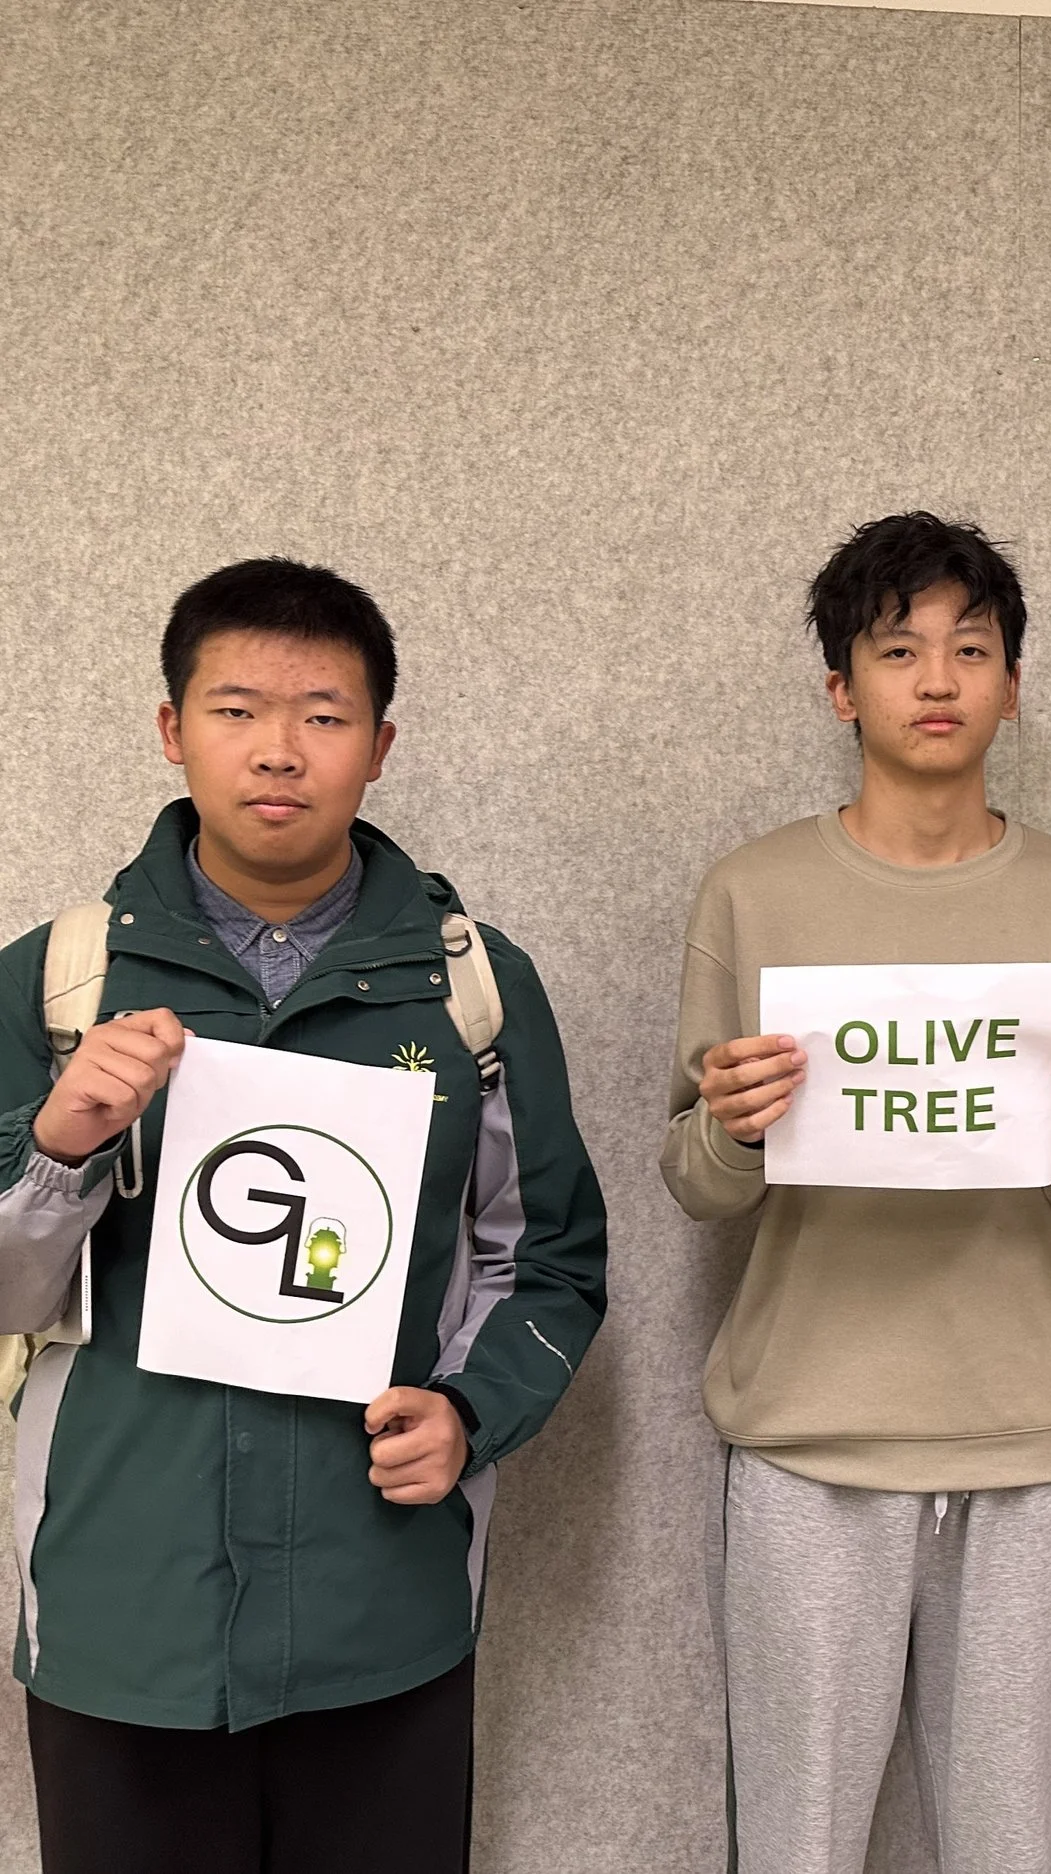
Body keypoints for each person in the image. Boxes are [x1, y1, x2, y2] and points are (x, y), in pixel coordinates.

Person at [0, 557, 609, 1874]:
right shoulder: (57, 981)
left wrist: (468, 1411)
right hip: (121, 1609)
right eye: (236, 708)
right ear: (172, 730)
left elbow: (547, 1255)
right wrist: (58, 1147)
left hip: (379, 1606)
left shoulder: (471, 989)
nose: (280, 749)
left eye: (324, 714)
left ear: (380, 744)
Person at [660, 512, 1051, 1874]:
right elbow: (692, 1180)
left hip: (1027, 1440)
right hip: (812, 1434)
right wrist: (737, 1126)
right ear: (842, 687)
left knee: (1010, 1843)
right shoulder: (754, 893)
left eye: (971, 649)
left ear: (1012, 682)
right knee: (799, 1843)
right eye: (898, 650)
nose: (937, 679)